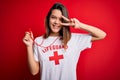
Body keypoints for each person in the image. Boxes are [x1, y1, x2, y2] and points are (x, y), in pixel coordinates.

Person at [23, 2, 106, 80]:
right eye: (53, 17)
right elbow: (34, 71)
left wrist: (79, 25)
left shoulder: (74, 39)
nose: (56, 22)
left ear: (65, 21)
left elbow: (102, 35)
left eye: (60, 19)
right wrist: (29, 46)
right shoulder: (39, 41)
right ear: (48, 19)